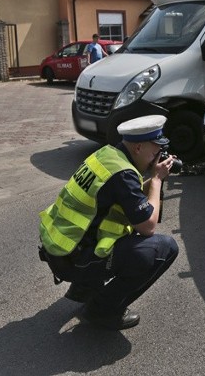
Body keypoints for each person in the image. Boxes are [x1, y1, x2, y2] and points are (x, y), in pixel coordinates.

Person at [38, 115, 179, 330]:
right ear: (139, 147)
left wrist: (154, 178)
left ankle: (84, 288)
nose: (157, 157)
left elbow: (126, 198)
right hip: (75, 259)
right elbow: (148, 226)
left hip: (62, 251)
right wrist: (157, 180)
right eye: (155, 150)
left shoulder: (108, 155)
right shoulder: (123, 174)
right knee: (164, 248)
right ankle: (101, 311)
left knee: (121, 230)